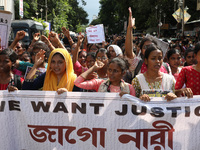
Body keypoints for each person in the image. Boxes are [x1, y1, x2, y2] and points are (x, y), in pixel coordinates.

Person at [125, 7, 169, 79]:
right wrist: (130, 28)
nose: (149, 49)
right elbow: (129, 52)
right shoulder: (137, 64)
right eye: (145, 47)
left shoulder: (165, 66)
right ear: (141, 50)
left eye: (151, 46)